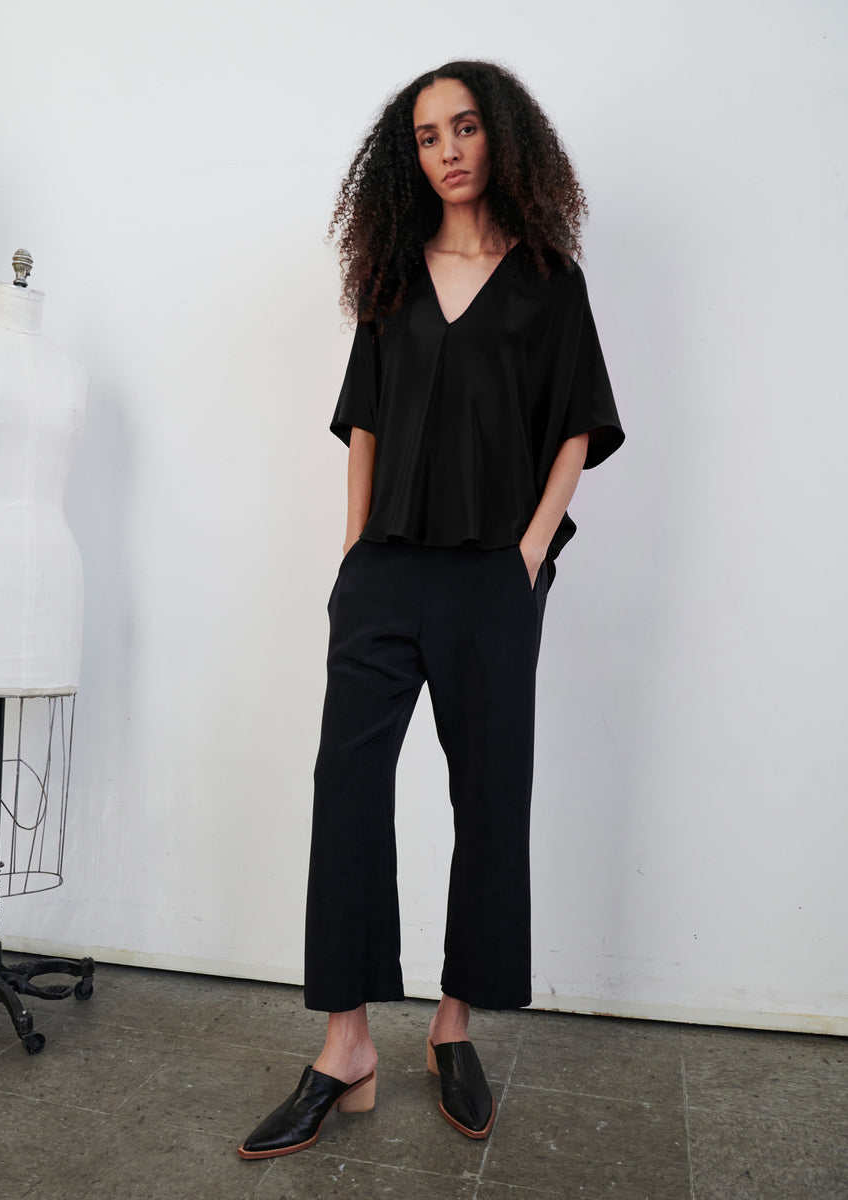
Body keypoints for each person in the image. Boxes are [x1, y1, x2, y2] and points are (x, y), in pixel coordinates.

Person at [238, 59, 624, 1161]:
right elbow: (364, 419)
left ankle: (454, 1027)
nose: (447, 149)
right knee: (346, 787)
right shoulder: (395, 277)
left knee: (488, 796)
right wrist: (355, 551)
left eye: (463, 128)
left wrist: (532, 549)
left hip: (493, 576)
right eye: (425, 135)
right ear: (406, 157)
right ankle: (345, 1042)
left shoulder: (551, 279)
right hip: (388, 570)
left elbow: (577, 425)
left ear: (502, 137)